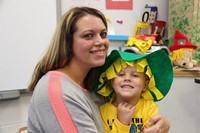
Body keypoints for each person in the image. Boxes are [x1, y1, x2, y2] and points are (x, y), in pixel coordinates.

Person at [27, 6, 171, 133]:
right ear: (68, 42)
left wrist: (162, 125)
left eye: (103, 34)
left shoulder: (96, 83)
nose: (100, 42)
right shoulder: (57, 91)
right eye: (88, 35)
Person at [95, 50, 173, 133]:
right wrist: (122, 123)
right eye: (121, 74)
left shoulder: (149, 108)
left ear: (145, 85)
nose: (127, 78)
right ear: (111, 82)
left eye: (135, 75)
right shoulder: (103, 111)